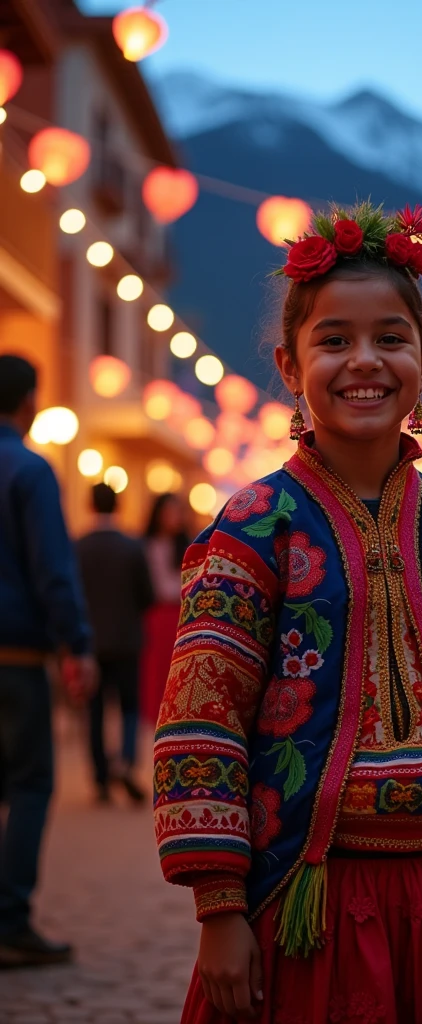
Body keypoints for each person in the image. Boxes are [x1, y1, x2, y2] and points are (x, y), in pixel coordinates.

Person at [153, 203, 422, 1024]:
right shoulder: (254, 529)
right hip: (304, 901)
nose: (365, 361)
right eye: (335, 340)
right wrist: (219, 910)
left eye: (390, 338)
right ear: (290, 366)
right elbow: (201, 719)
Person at [0, 354, 96, 967]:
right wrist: (77, 644)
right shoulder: (29, 471)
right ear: (29, 400)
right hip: (14, 656)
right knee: (30, 782)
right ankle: (10, 920)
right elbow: (53, 572)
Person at [76, 482, 155, 804]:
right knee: (129, 707)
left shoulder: (77, 547)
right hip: (126, 639)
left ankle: (100, 778)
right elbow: (147, 596)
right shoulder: (132, 547)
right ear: (117, 505)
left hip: (91, 641)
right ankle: (124, 760)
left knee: (94, 711)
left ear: (90, 505)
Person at [140, 493, 189, 725]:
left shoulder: (188, 545)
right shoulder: (146, 545)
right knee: (156, 669)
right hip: (156, 614)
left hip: (181, 613)